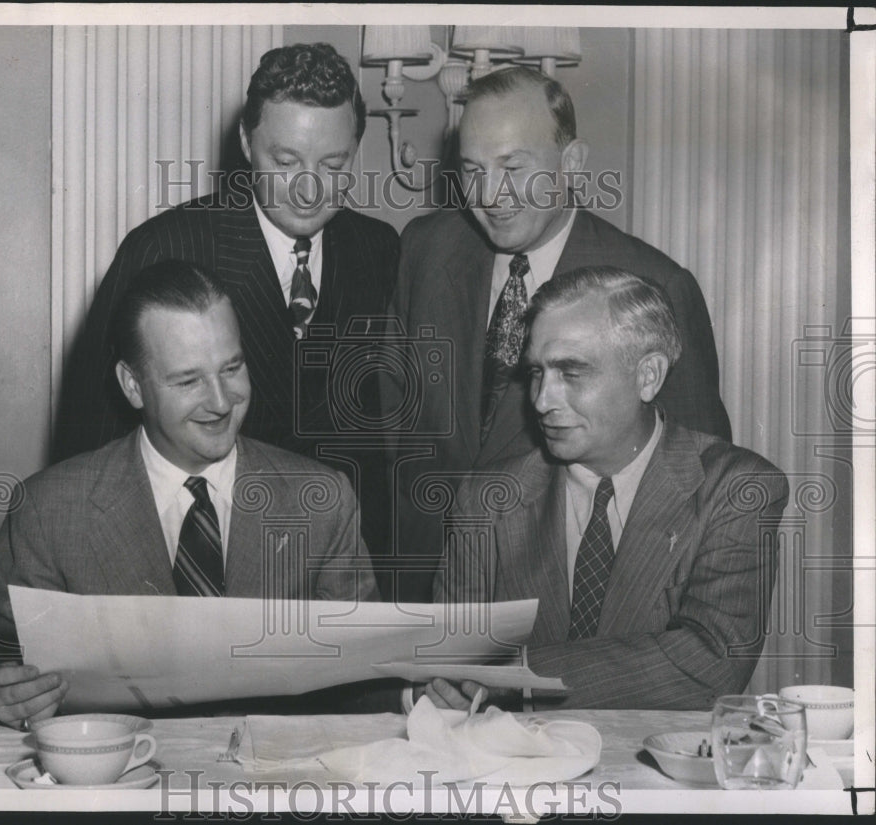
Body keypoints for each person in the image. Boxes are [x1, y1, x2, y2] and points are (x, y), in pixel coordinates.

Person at [0, 261, 378, 728]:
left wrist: (418, 695)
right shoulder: (48, 511)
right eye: (189, 381)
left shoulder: (323, 500)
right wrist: (5, 697)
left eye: (232, 367)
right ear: (132, 385)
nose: (222, 401)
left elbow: (363, 679)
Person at [52, 43, 399, 578]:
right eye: (285, 162)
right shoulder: (164, 247)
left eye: (334, 163)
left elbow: (375, 438)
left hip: (336, 571)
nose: (310, 189)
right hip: (190, 565)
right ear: (244, 142)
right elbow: (88, 445)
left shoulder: (378, 250)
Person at [386, 67, 730, 601]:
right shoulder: (426, 247)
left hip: (568, 602)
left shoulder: (656, 284)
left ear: (571, 164)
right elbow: (392, 419)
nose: (491, 195)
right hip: (423, 579)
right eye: (473, 170)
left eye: (513, 167)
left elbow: (696, 480)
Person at [426, 266, 787, 710]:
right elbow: (450, 665)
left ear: (648, 376)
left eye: (571, 373)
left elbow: (711, 663)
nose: (541, 400)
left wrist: (515, 673)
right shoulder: (488, 497)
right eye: (537, 372)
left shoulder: (735, 488)